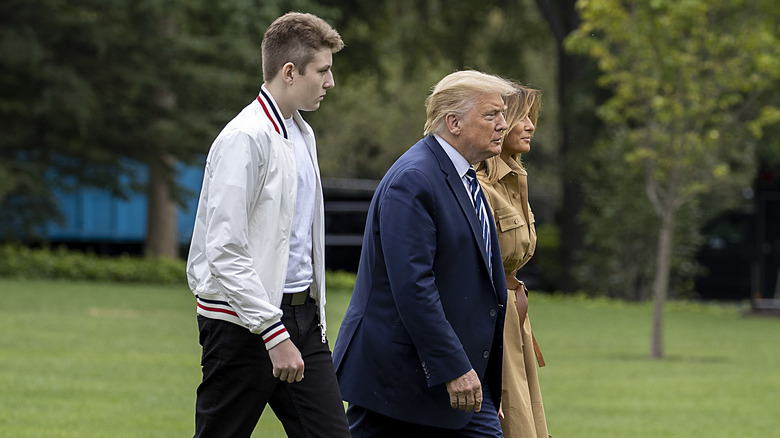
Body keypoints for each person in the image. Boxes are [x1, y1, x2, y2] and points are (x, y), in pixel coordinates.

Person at [185, 12, 350, 438]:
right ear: (290, 72)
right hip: (240, 325)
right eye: (324, 70)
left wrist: (304, 320)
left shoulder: (301, 132)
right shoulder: (245, 137)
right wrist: (272, 332)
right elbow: (223, 248)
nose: (331, 82)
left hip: (303, 321)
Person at [333, 70, 516, 437]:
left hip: (451, 382)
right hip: (399, 383)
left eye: (503, 114)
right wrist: (453, 368)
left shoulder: (462, 175)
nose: (504, 124)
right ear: (454, 122)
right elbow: (414, 287)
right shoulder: (415, 178)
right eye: (491, 115)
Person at [476, 84, 550, 438]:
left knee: (524, 416)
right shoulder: (478, 186)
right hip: (491, 315)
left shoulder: (514, 180)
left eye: (531, 118)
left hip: (514, 315)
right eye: (522, 117)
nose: (530, 126)